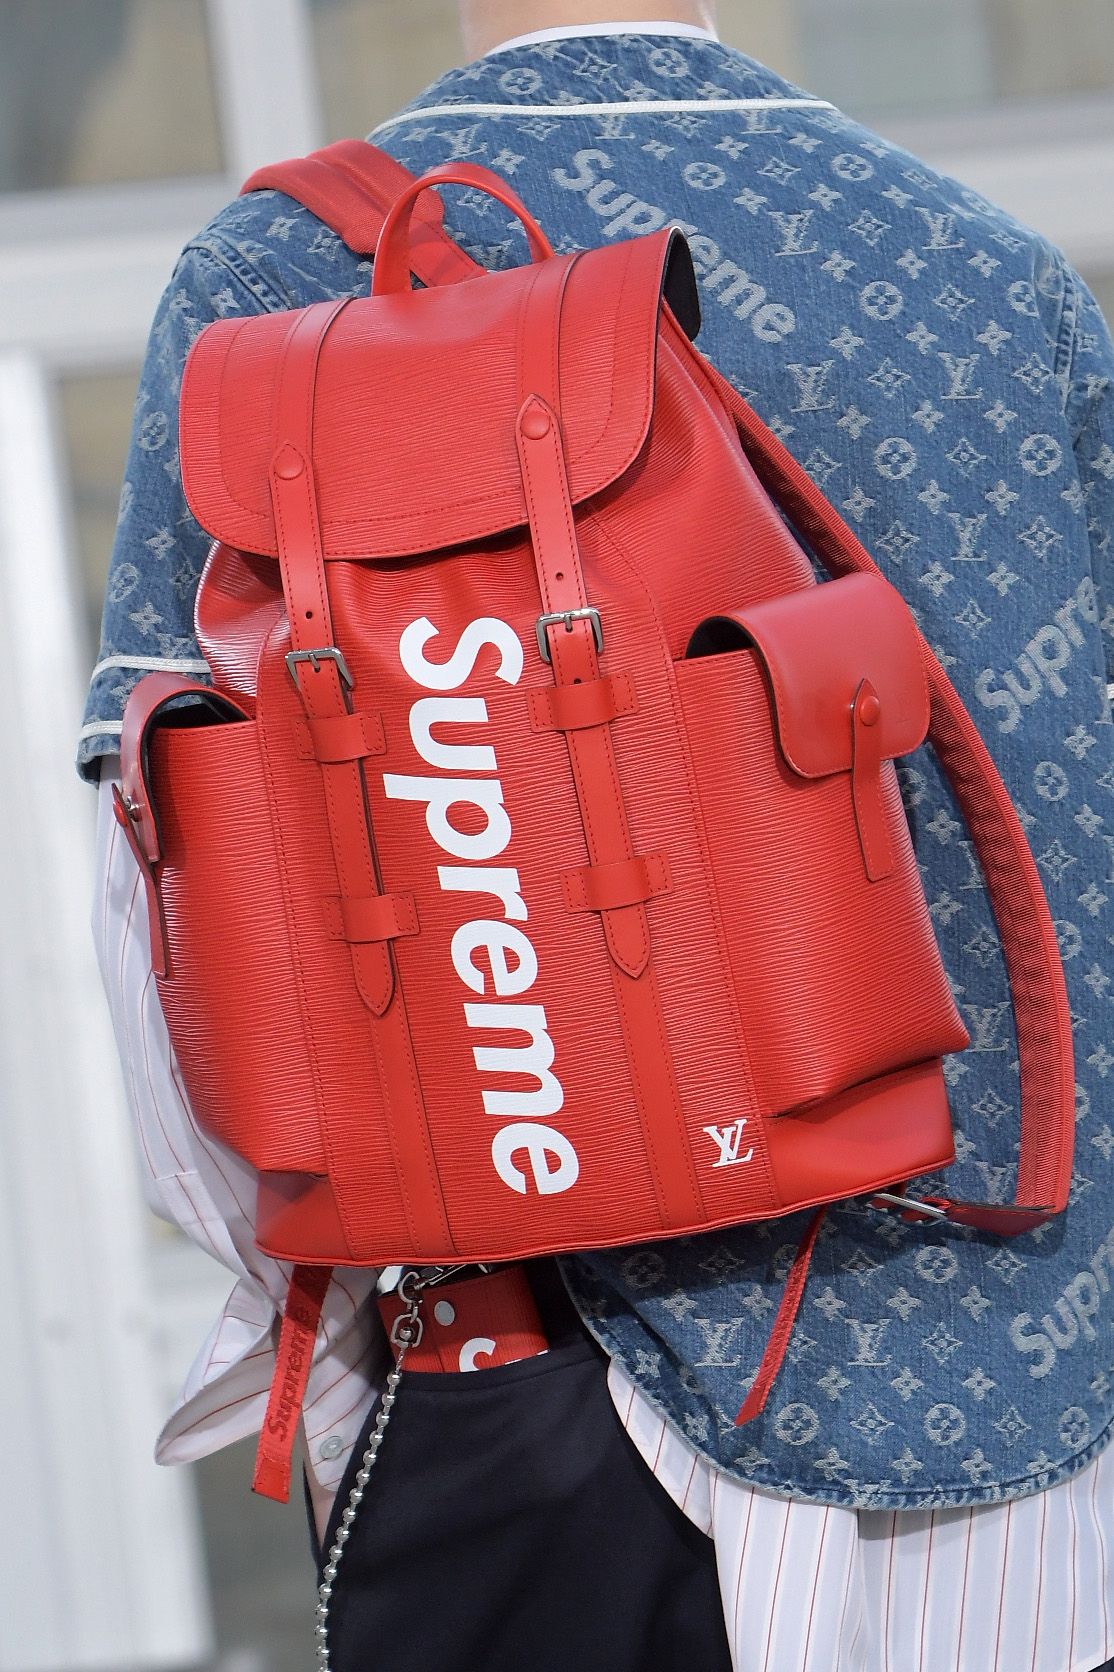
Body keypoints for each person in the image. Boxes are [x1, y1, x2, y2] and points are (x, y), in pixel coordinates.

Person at [80, 4, 1114, 1669]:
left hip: (538, 1374)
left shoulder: (275, 272)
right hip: (1025, 1397)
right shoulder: (984, 268)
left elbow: (178, 907)